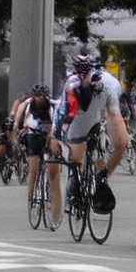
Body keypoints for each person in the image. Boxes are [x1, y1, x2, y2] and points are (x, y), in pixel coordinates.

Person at [52, 43, 126, 227]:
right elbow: (63, 113)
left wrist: (119, 143)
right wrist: (55, 135)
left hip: (97, 118)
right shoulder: (71, 85)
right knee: (78, 159)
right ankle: (74, 188)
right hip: (76, 120)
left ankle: (101, 179)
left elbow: (114, 115)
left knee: (114, 146)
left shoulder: (109, 84)